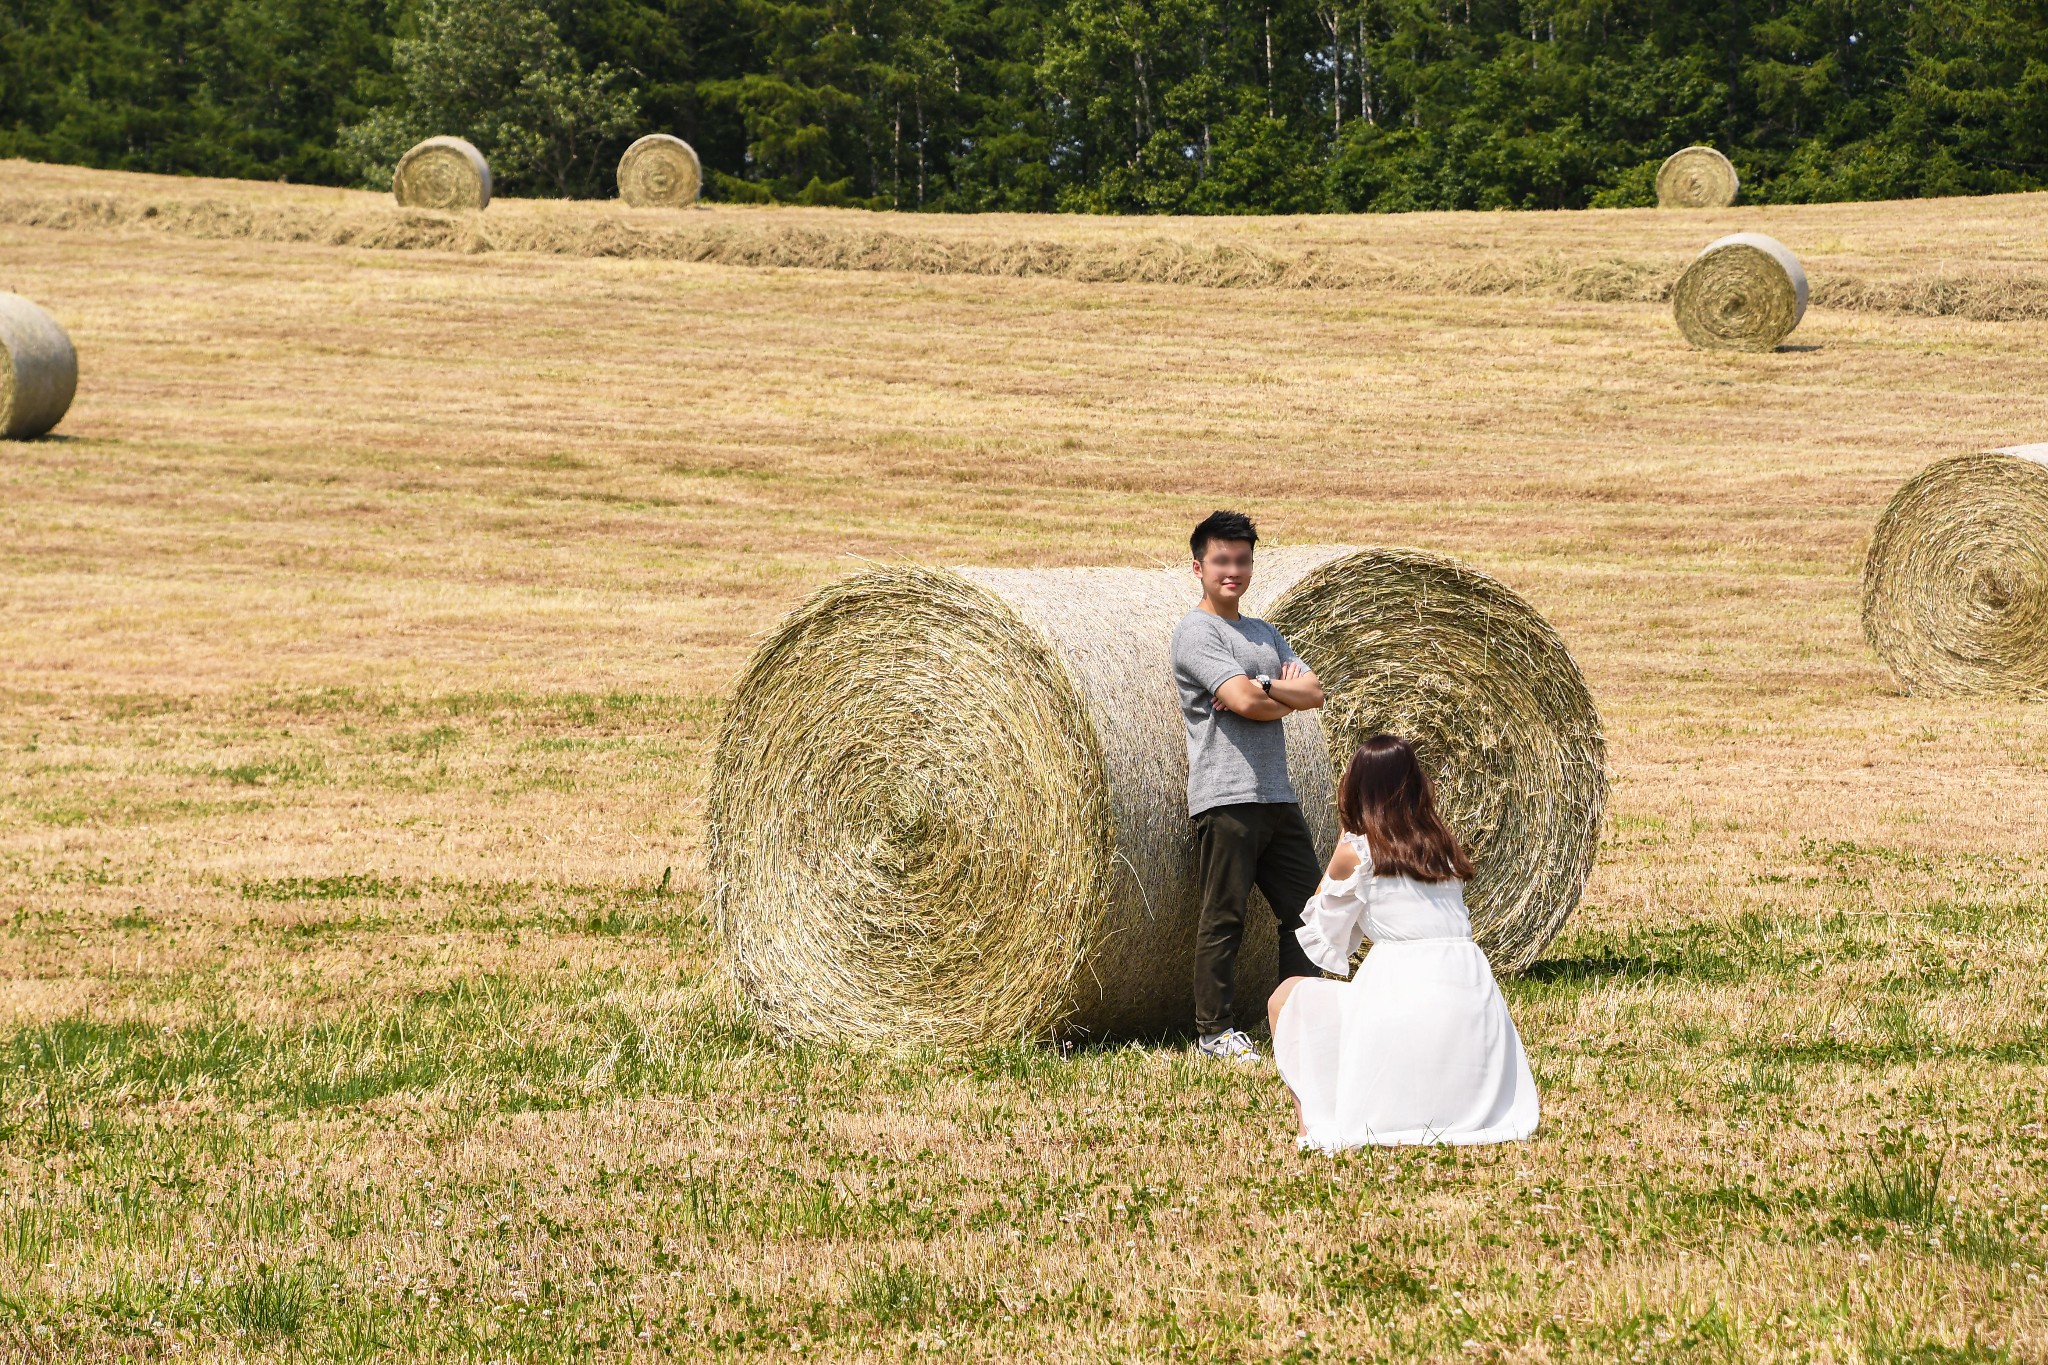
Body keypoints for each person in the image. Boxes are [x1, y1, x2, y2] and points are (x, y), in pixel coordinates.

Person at [1268, 734, 1539, 1148]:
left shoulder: (1357, 850)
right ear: (1416, 786)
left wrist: (1341, 850)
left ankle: (1310, 1124)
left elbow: (1325, 941)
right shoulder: (1442, 849)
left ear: (1355, 789)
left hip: (1401, 993)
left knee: (1285, 996)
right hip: (1471, 1001)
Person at [1170, 510, 1325, 1062]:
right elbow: (1245, 705)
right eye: (1221, 561)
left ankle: (1299, 1016)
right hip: (1227, 795)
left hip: (1278, 796)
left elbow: (1314, 692)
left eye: (1241, 560)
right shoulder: (1196, 632)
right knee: (1225, 915)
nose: (1232, 570)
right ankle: (1214, 1033)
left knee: (1312, 913)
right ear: (1199, 567)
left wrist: (1262, 686)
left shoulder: (1263, 632)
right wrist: (1269, 694)